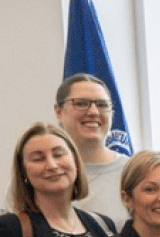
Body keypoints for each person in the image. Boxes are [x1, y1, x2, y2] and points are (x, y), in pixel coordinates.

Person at [53, 73, 127, 220]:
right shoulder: (39, 173)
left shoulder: (136, 173)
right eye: (80, 103)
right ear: (59, 112)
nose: (93, 112)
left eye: (102, 105)